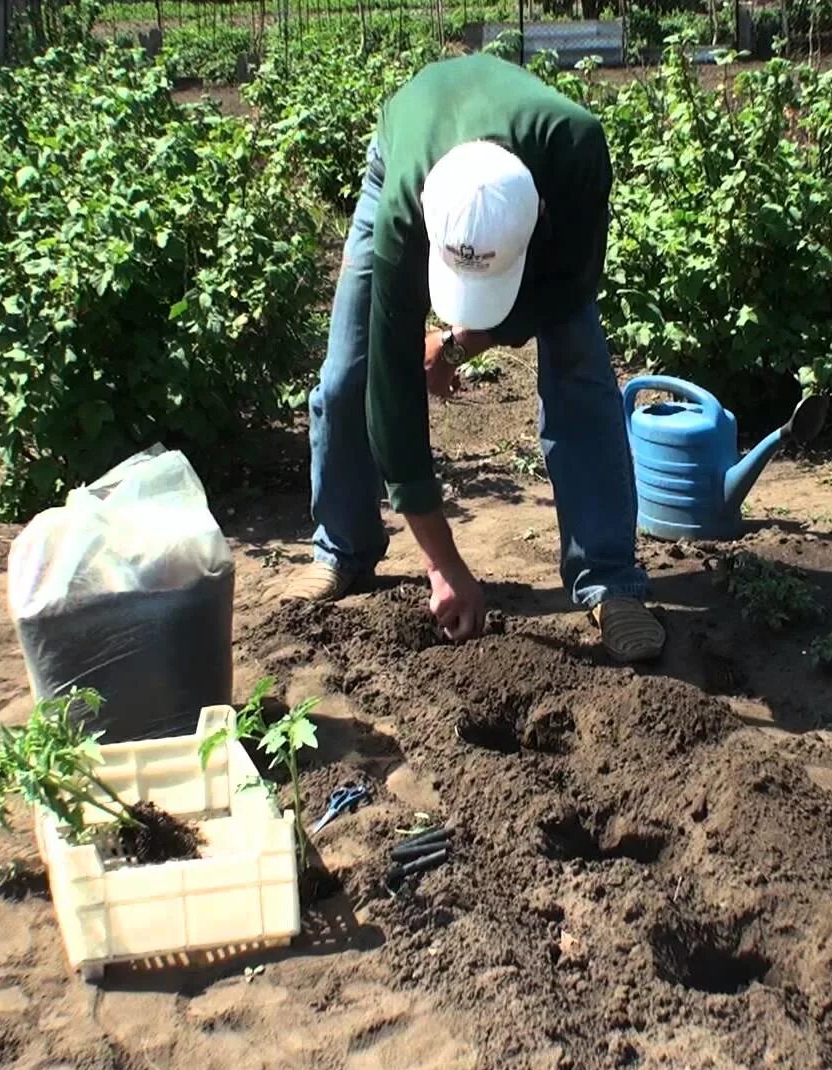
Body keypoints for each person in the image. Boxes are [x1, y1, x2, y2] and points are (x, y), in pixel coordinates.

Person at [269, 51, 666, 664]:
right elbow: (389, 388)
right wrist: (443, 564)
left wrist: (458, 345)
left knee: (582, 374)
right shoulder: (405, 208)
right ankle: (341, 548)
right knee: (348, 374)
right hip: (404, 154)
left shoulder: (577, 152)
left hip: (539, 168)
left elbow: (565, 289)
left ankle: (610, 579)